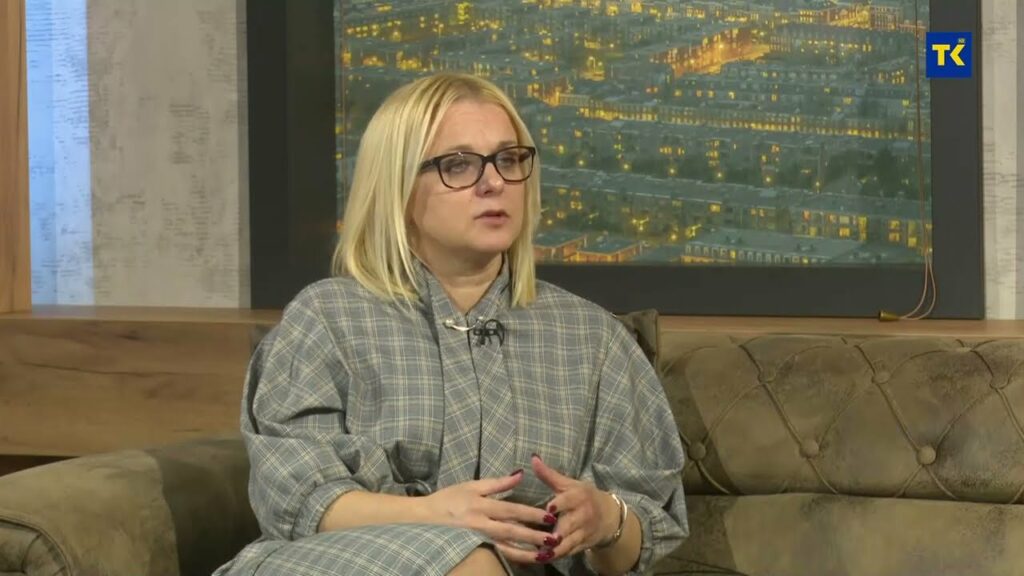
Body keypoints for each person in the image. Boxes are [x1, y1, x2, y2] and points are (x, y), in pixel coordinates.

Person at [214, 72, 687, 576]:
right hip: (332, 564)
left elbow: (643, 537)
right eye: (458, 164)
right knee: (471, 562)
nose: (494, 182)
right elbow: (296, 500)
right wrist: (433, 517)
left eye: (509, 160)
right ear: (397, 186)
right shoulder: (327, 319)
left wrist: (606, 520)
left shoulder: (592, 339)